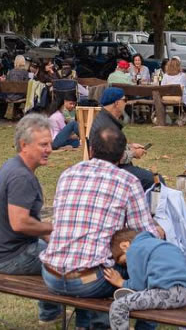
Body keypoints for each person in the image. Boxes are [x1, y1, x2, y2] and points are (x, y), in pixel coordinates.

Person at [40, 126, 162, 329]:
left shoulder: (68, 174)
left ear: (91, 149)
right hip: (88, 281)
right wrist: (161, 232)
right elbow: (144, 234)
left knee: (97, 256)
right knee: (147, 261)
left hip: (51, 275)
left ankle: (85, 322)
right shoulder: (128, 181)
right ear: (123, 154)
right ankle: (141, 325)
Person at [0, 115, 62, 324]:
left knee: (58, 249)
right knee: (69, 259)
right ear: (24, 145)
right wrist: (54, 229)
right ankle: (67, 316)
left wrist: (48, 234)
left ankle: (52, 312)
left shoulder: (12, 165)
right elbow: (20, 223)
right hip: (10, 257)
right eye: (43, 144)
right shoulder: (21, 177)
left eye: (50, 143)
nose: (49, 149)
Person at [104, 229, 186, 330]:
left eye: (125, 262)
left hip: (168, 293)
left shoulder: (135, 248)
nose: (127, 265)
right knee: (146, 301)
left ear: (124, 246)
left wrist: (121, 282)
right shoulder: (158, 243)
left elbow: (138, 285)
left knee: (118, 306)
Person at [91, 87, 154, 189]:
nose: (126, 103)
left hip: (109, 167)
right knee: (155, 180)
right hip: (113, 169)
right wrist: (133, 153)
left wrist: (128, 146)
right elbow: (112, 156)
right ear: (116, 103)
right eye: (125, 100)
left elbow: (110, 146)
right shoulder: (107, 126)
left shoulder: (104, 118)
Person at [3, 55, 30, 121]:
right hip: (19, 95)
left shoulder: (10, 72)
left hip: (10, 95)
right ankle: (23, 113)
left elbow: (7, 82)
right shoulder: (25, 72)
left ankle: (16, 113)